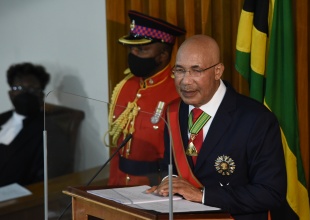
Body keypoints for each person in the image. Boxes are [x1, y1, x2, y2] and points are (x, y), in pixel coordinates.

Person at [147, 35, 287, 220]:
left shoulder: (256, 119)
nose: (185, 81)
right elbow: (168, 164)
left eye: (196, 71)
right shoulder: (173, 111)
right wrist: (168, 183)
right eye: (180, 70)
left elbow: (270, 192)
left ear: (218, 71)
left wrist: (203, 195)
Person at [108, 10, 186, 186]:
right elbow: (116, 149)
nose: (134, 54)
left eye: (142, 49)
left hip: (156, 191)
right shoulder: (124, 86)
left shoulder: (178, 92)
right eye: (131, 48)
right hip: (119, 188)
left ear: (163, 55)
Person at [0, 62, 50, 186]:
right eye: (18, 88)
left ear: (41, 96)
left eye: (32, 89)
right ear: (10, 94)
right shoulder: (2, 118)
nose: (25, 94)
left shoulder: (47, 129)